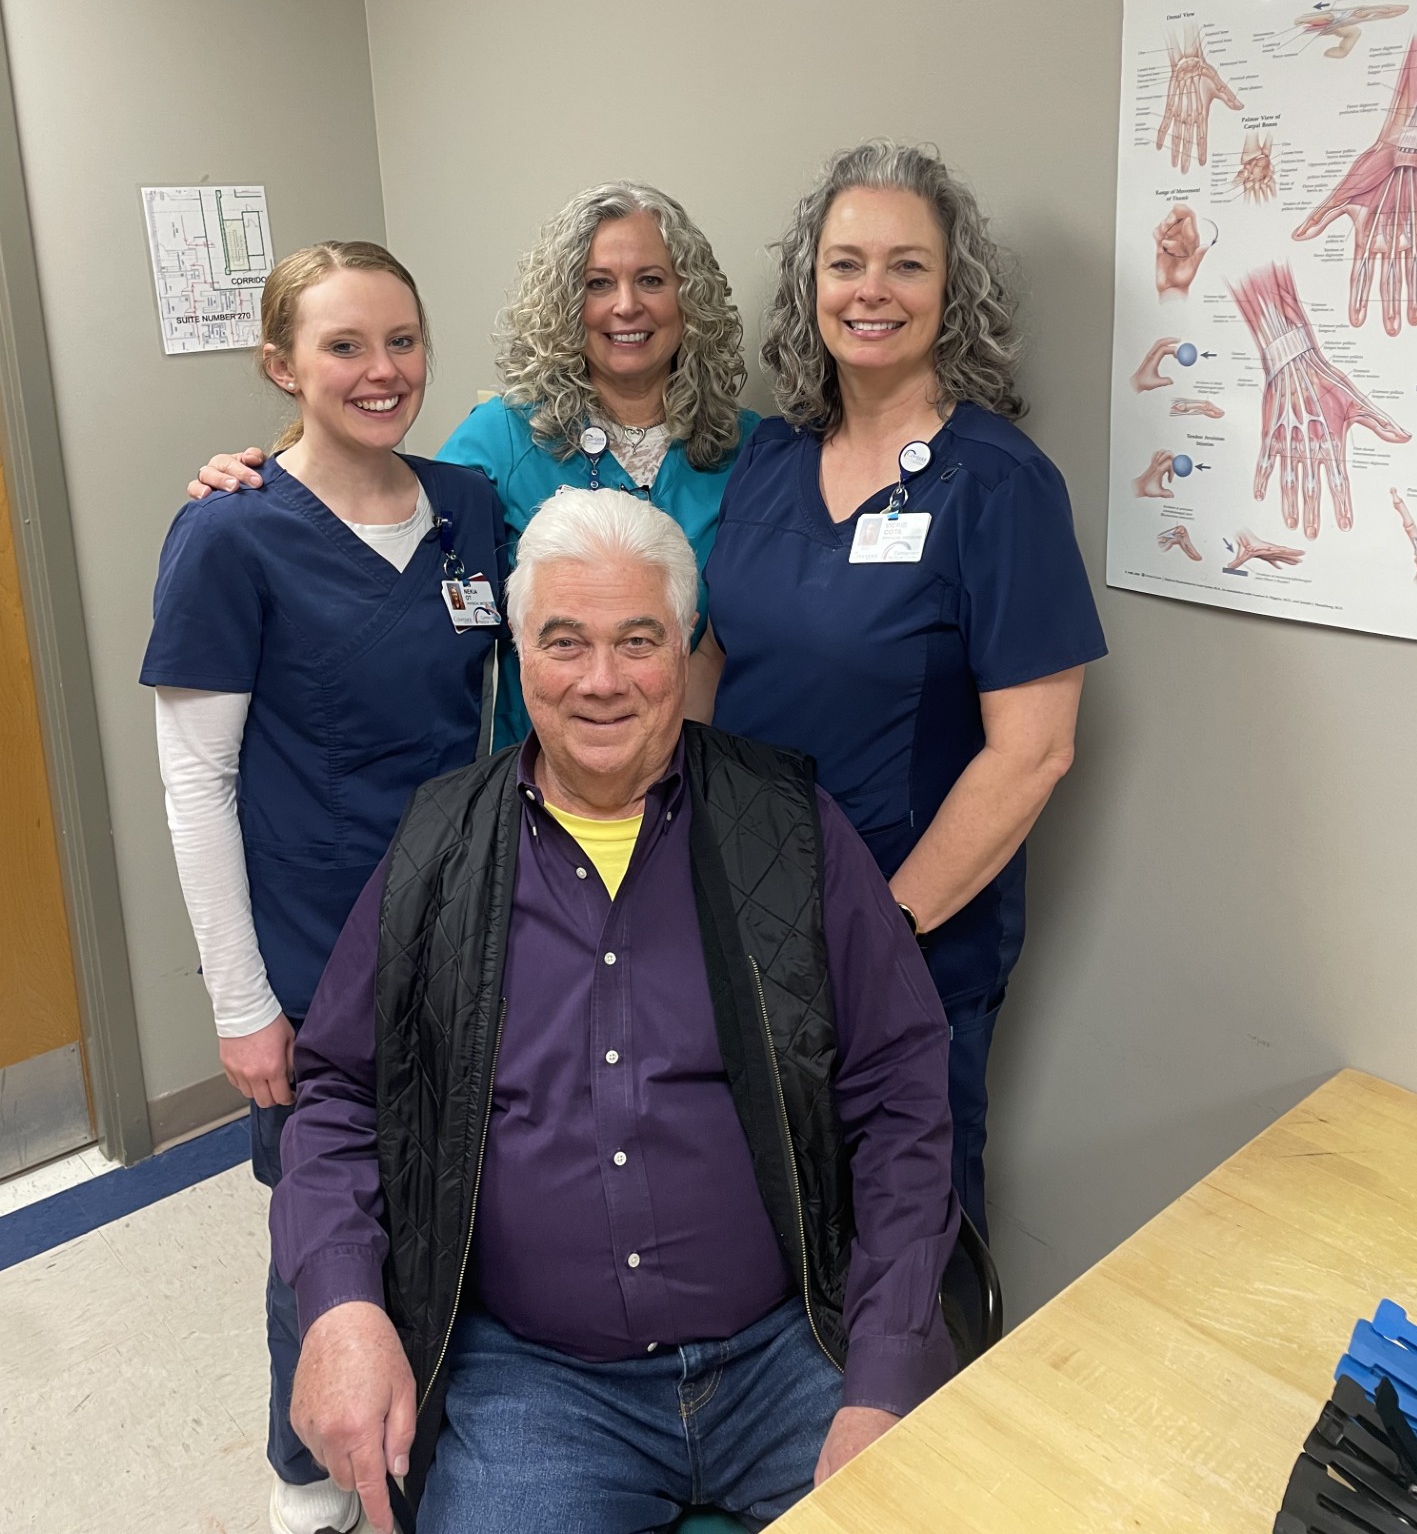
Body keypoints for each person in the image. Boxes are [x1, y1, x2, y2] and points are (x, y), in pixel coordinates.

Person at [271, 490, 960, 1534]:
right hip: (541, 1386)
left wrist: (886, 1375)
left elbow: (902, 1097)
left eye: (637, 640)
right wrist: (339, 1304)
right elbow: (338, 1095)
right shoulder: (437, 847)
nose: (600, 681)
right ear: (521, 653)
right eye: (564, 642)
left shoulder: (791, 829)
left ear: (683, 651)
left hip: (795, 1352)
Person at [140, 241, 505, 1534]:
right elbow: (196, 786)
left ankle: (433, 1423)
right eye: (344, 346)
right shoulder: (229, 534)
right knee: (324, 1218)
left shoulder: (469, 504)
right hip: (307, 944)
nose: (381, 370)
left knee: (452, 1191)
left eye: (401, 341)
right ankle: (307, 1483)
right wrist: (242, 1003)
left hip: (459, 926)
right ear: (281, 366)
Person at [688, 142, 1108, 1234]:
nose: (872, 291)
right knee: (762, 1214)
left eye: (907, 266)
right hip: (742, 912)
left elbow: (1035, 751)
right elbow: (713, 658)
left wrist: (876, 930)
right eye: (846, 263)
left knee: (907, 1241)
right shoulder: (769, 460)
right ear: (810, 284)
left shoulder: (1000, 485)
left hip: (909, 937)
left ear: (951, 291)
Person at [190, 183, 761, 747]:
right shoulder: (500, 439)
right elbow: (383, 529)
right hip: (542, 783)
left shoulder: (752, 452)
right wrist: (271, 484)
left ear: (690, 297)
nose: (627, 305)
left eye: (652, 280)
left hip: (702, 767)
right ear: (565, 303)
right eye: (597, 284)